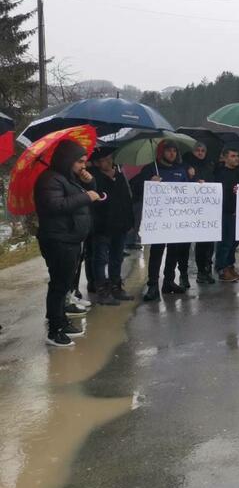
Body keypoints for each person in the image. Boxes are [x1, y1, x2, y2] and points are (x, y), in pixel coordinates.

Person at [35, 139, 100, 346]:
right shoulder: (49, 180)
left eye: (85, 161)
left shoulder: (67, 178)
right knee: (59, 285)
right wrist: (86, 196)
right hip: (58, 240)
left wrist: (89, 183)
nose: (83, 166)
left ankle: (61, 321)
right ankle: (54, 331)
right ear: (67, 160)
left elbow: (84, 194)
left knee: (64, 285)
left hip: (69, 239)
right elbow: (54, 205)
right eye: (80, 161)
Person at [132, 140, 191, 301]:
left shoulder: (180, 169)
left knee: (174, 251)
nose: (172, 154)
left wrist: (198, 186)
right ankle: (152, 285)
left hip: (176, 218)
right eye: (168, 151)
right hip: (158, 219)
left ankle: (169, 281)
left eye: (174, 151)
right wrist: (149, 182)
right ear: (161, 152)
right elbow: (134, 186)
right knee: (157, 252)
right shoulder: (150, 169)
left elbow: (189, 191)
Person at [89, 148, 135, 305]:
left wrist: (130, 221)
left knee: (117, 258)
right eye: (103, 160)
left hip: (120, 225)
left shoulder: (120, 176)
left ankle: (116, 286)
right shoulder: (93, 178)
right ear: (96, 163)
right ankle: (102, 289)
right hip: (102, 226)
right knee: (100, 259)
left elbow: (127, 200)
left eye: (109, 158)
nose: (108, 162)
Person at [184, 142, 217, 284]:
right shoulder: (186, 165)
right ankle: (188, 274)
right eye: (197, 150)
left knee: (208, 243)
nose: (200, 152)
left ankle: (205, 270)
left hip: (208, 209)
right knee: (189, 243)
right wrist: (192, 179)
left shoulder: (211, 164)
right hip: (190, 209)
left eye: (203, 150)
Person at [214, 147, 239, 283]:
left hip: (238, 212)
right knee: (225, 242)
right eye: (232, 156)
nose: (236, 158)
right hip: (225, 212)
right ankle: (222, 268)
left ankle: (230, 265)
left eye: (237, 156)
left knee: (234, 242)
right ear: (225, 158)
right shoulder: (219, 173)